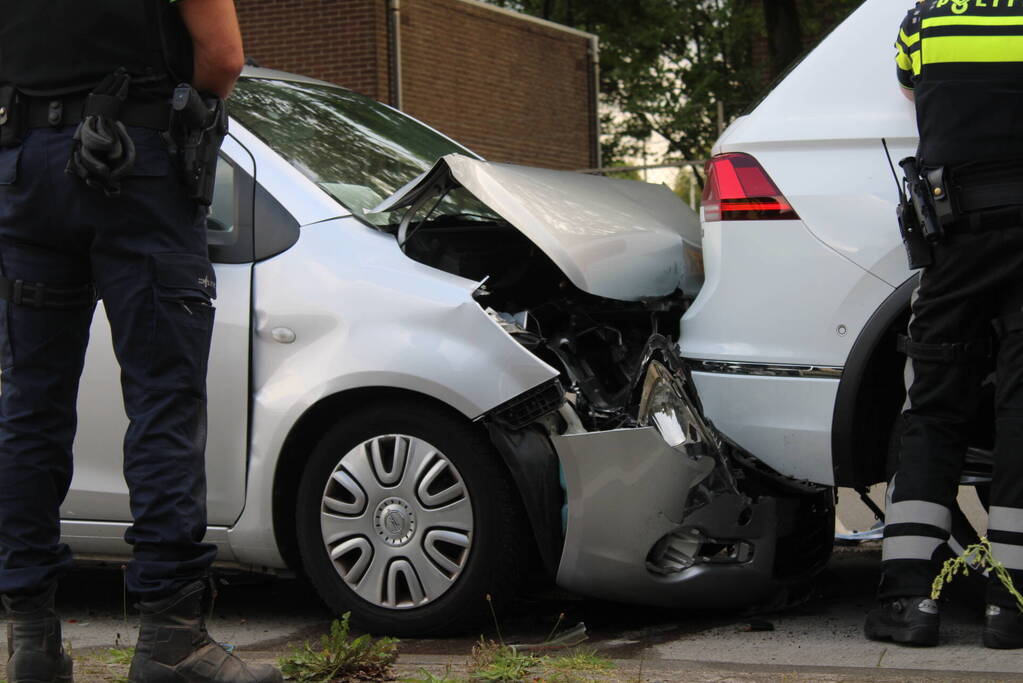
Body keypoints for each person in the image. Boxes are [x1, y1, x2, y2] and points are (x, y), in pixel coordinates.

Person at [0, 1, 282, 681]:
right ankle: (171, 639)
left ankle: (31, 642)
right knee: (162, 400)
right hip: (136, 165)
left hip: (25, 167)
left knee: (30, 404)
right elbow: (222, 55)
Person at [865, 0, 1023, 650]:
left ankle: (908, 599)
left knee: (932, 403)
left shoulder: (923, 21)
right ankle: (1010, 606)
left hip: (953, 235)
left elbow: (910, 91)